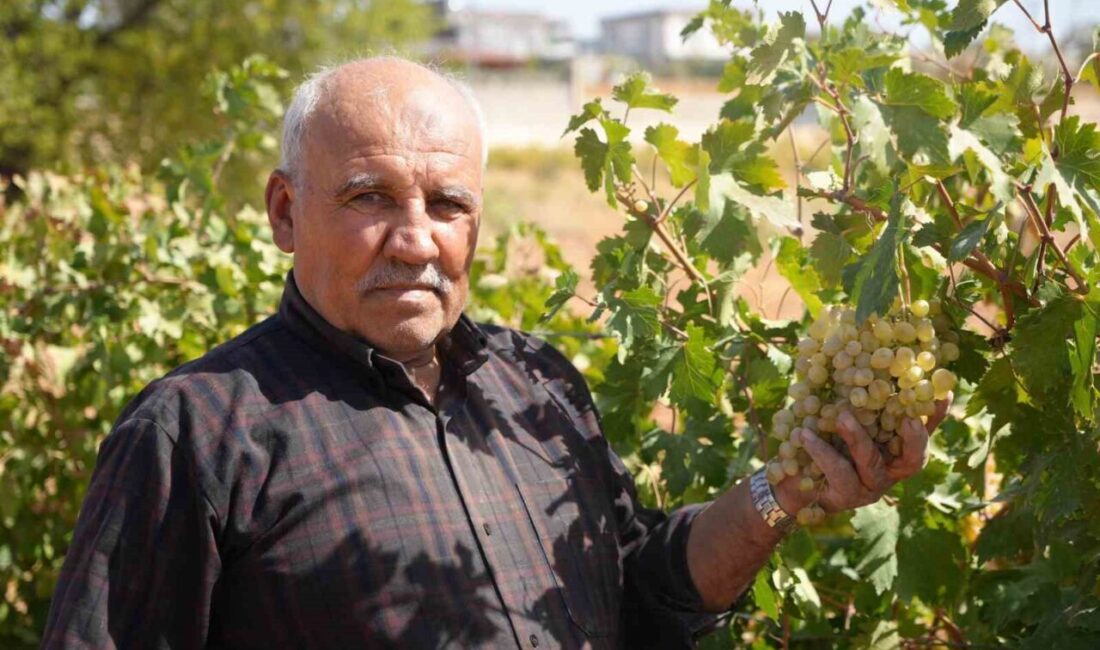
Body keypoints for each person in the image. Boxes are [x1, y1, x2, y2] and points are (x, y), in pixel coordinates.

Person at [42, 57, 948, 649]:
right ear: (285, 211)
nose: (414, 240)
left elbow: (643, 591)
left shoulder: (539, 387)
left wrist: (780, 495)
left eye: (448, 204)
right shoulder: (195, 435)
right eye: (367, 198)